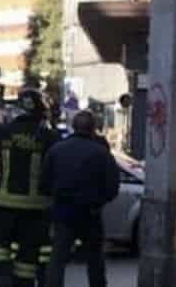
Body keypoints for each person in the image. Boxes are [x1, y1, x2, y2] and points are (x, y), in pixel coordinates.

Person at [0, 88, 60, 287]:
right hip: (37, 208)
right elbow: (58, 168)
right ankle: (23, 283)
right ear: (41, 112)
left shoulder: (4, 133)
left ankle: (1, 276)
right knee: (28, 253)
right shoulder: (50, 137)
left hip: (5, 204)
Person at [41, 110, 121, 287]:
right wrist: (99, 201)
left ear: (73, 127)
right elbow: (113, 185)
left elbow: (44, 182)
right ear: (93, 128)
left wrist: (56, 198)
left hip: (63, 211)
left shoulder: (57, 150)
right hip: (90, 213)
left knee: (58, 258)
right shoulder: (101, 152)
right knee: (95, 259)